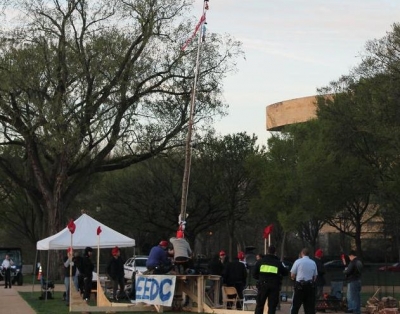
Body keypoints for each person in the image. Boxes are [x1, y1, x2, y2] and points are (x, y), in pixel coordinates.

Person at [253, 245, 288, 314]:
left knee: (260, 305)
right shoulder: (278, 263)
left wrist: (260, 278)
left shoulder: (260, 261)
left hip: (262, 285)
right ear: (275, 252)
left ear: (267, 252)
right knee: (272, 306)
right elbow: (285, 272)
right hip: (274, 286)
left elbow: (254, 274)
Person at [290, 248, 318, 314]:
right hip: (310, 286)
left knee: (295, 306)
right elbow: (315, 276)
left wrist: (294, 279)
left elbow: (292, 274)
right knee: (309, 307)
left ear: (302, 253)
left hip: (299, 286)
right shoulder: (313, 262)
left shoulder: (298, 261)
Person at [343, 250, 363, 314]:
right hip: (358, 280)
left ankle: (353, 310)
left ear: (351, 256)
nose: (349, 257)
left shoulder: (352, 263)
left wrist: (344, 271)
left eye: (349, 256)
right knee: (357, 296)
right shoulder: (359, 262)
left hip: (352, 281)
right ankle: (357, 310)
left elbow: (348, 271)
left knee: (351, 296)